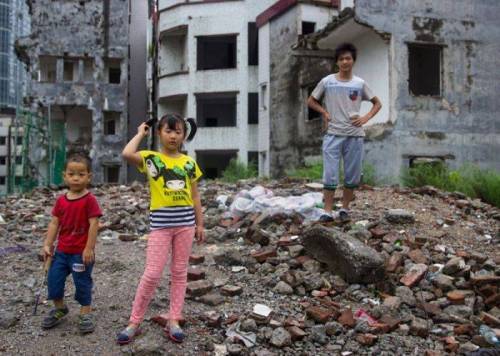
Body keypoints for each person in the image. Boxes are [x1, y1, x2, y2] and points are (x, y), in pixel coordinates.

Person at [117, 114, 205, 344]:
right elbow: (126, 154)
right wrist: (139, 134)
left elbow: (195, 196)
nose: (173, 136)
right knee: (153, 273)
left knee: (179, 272)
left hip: (185, 225)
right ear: (159, 133)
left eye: (178, 132)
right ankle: (134, 321)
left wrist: (200, 223)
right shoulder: (151, 159)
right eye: (168, 131)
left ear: (183, 135)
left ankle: (174, 319)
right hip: (160, 226)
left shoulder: (188, 163)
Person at [307, 42, 382, 222]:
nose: (345, 62)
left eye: (348, 58)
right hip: (333, 134)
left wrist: (365, 118)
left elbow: (377, 103)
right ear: (337, 62)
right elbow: (311, 101)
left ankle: (345, 209)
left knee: (352, 174)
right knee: (330, 174)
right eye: (341, 59)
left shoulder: (359, 83)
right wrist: (324, 112)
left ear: (353, 61)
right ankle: (327, 211)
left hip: (354, 135)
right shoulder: (327, 81)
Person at [41, 152, 102, 333]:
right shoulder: (61, 201)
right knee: (53, 281)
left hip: (80, 253)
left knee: (82, 283)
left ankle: (85, 313)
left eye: (81, 174)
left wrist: (89, 248)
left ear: (89, 176)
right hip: (61, 252)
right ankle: (60, 308)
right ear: (64, 176)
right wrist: (47, 244)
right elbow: (54, 223)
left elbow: (94, 224)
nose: (76, 178)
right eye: (72, 174)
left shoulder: (89, 200)